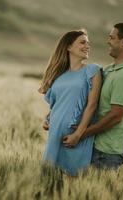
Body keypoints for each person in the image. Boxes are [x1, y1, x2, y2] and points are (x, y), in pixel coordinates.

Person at [63, 22, 123, 170]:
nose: (108, 41)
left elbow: (115, 116)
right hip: (97, 145)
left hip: (106, 152)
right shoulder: (112, 69)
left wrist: (81, 134)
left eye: (112, 38)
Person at [38, 29, 102, 176]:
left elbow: (92, 105)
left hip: (75, 137)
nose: (87, 46)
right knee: (49, 179)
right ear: (68, 47)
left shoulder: (92, 70)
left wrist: (78, 135)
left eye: (88, 43)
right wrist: (47, 119)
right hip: (55, 135)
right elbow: (57, 105)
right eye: (82, 42)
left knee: (72, 181)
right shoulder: (59, 75)